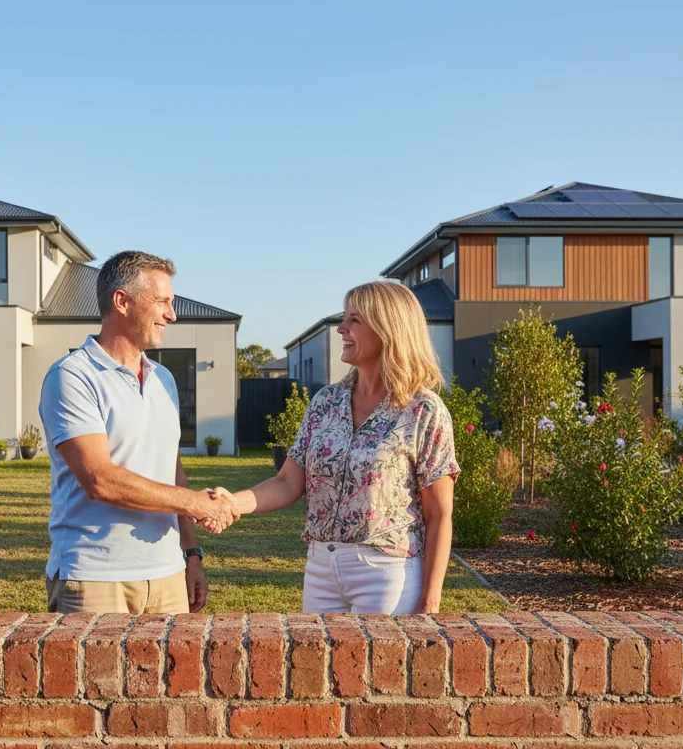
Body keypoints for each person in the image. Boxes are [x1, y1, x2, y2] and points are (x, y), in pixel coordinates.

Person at [205, 280, 458, 614]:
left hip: (386, 574)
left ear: (389, 329)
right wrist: (231, 502)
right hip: (321, 569)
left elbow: (438, 514)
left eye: (355, 320)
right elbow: (287, 482)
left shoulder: (423, 410)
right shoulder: (325, 402)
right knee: (318, 665)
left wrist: (430, 600)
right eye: (344, 318)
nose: (341, 328)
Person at [39, 250, 240, 614]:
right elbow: (100, 480)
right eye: (162, 301)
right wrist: (194, 503)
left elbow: (172, 468)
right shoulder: (71, 376)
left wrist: (191, 554)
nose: (171, 314)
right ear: (122, 302)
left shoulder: (164, 380)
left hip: (167, 576)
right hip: (95, 578)